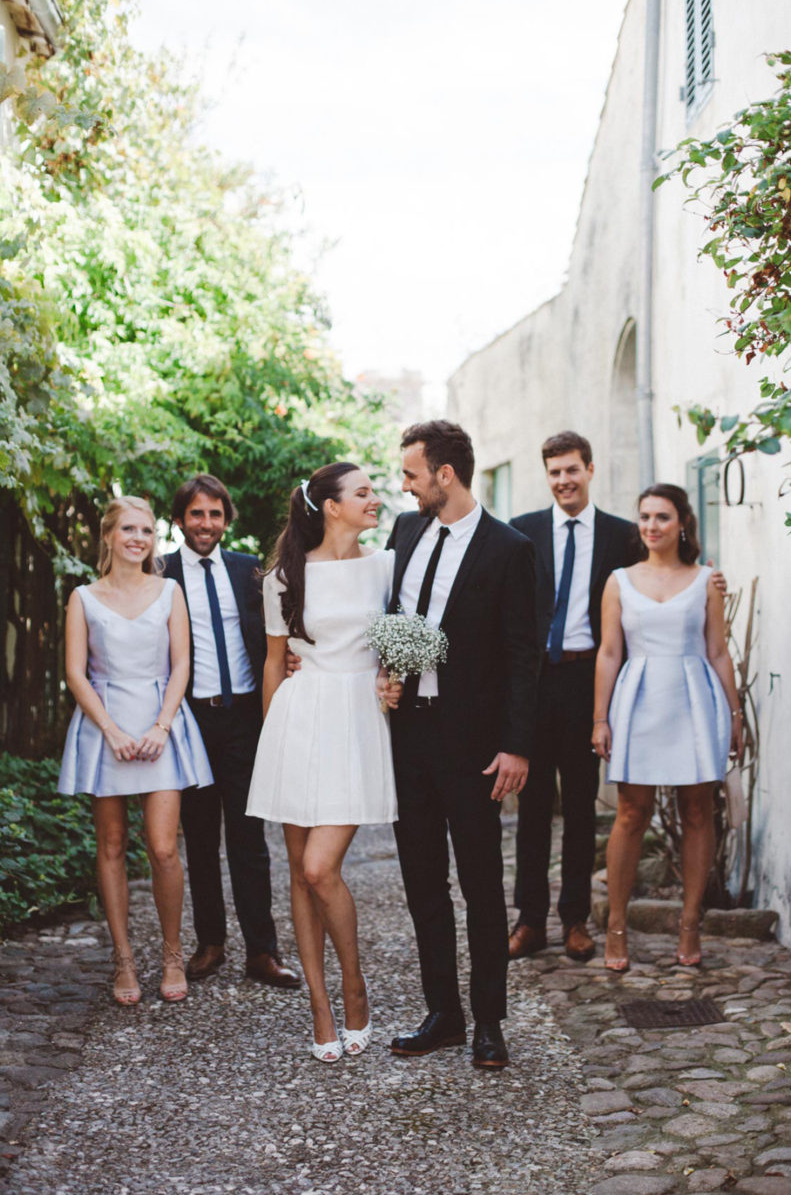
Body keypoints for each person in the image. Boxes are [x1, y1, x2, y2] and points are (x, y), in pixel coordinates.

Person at [387, 421, 539, 1070]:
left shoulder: (510, 549)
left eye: (412, 474)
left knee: (480, 884)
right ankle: (443, 1011)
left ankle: (489, 1021)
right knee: (422, 880)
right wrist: (385, 672)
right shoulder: (404, 531)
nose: (405, 485)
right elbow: (389, 617)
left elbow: (524, 654)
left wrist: (516, 745)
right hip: (408, 737)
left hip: (475, 745)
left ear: (445, 475)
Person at [246, 463, 398, 1063]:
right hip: (298, 718)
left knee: (318, 867)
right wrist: (270, 741)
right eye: (363, 492)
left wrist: (393, 681)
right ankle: (319, 1005)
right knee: (298, 874)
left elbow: (397, 640)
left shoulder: (384, 567)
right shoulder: (284, 577)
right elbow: (273, 662)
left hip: (358, 718)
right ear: (331, 507)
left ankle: (354, 984)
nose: (374, 499)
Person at [58, 496, 213, 1005]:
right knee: (111, 845)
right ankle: (123, 960)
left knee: (165, 847)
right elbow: (75, 673)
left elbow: (182, 664)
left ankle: (171, 954)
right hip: (105, 727)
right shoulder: (83, 597)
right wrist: (111, 731)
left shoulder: (169, 591)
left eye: (146, 531)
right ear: (108, 536)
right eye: (128, 529)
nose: (137, 539)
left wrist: (162, 726)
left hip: (160, 723)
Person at [592, 484, 743, 971]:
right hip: (638, 701)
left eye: (662, 517)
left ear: (682, 523)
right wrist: (600, 717)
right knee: (631, 813)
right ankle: (616, 928)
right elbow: (610, 652)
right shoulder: (619, 580)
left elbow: (718, 651)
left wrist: (735, 715)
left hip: (694, 699)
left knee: (698, 810)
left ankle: (690, 922)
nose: (651, 526)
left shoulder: (705, 580)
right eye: (644, 517)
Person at [163, 475, 299, 990]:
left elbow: (276, 632)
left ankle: (262, 952)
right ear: (180, 520)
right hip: (192, 720)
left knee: (249, 839)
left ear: (227, 520)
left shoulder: (249, 571)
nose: (206, 524)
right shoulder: (164, 574)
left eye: (215, 514)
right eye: (196, 514)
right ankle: (210, 944)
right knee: (199, 836)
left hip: (244, 718)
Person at [507, 432, 638, 963]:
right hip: (534, 682)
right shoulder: (523, 533)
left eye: (572, 470)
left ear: (589, 469)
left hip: (589, 682)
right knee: (532, 807)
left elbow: (658, 578)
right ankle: (530, 920)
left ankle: (576, 920)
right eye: (554, 472)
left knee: (582, 807)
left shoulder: (623, 536)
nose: (563, 480)